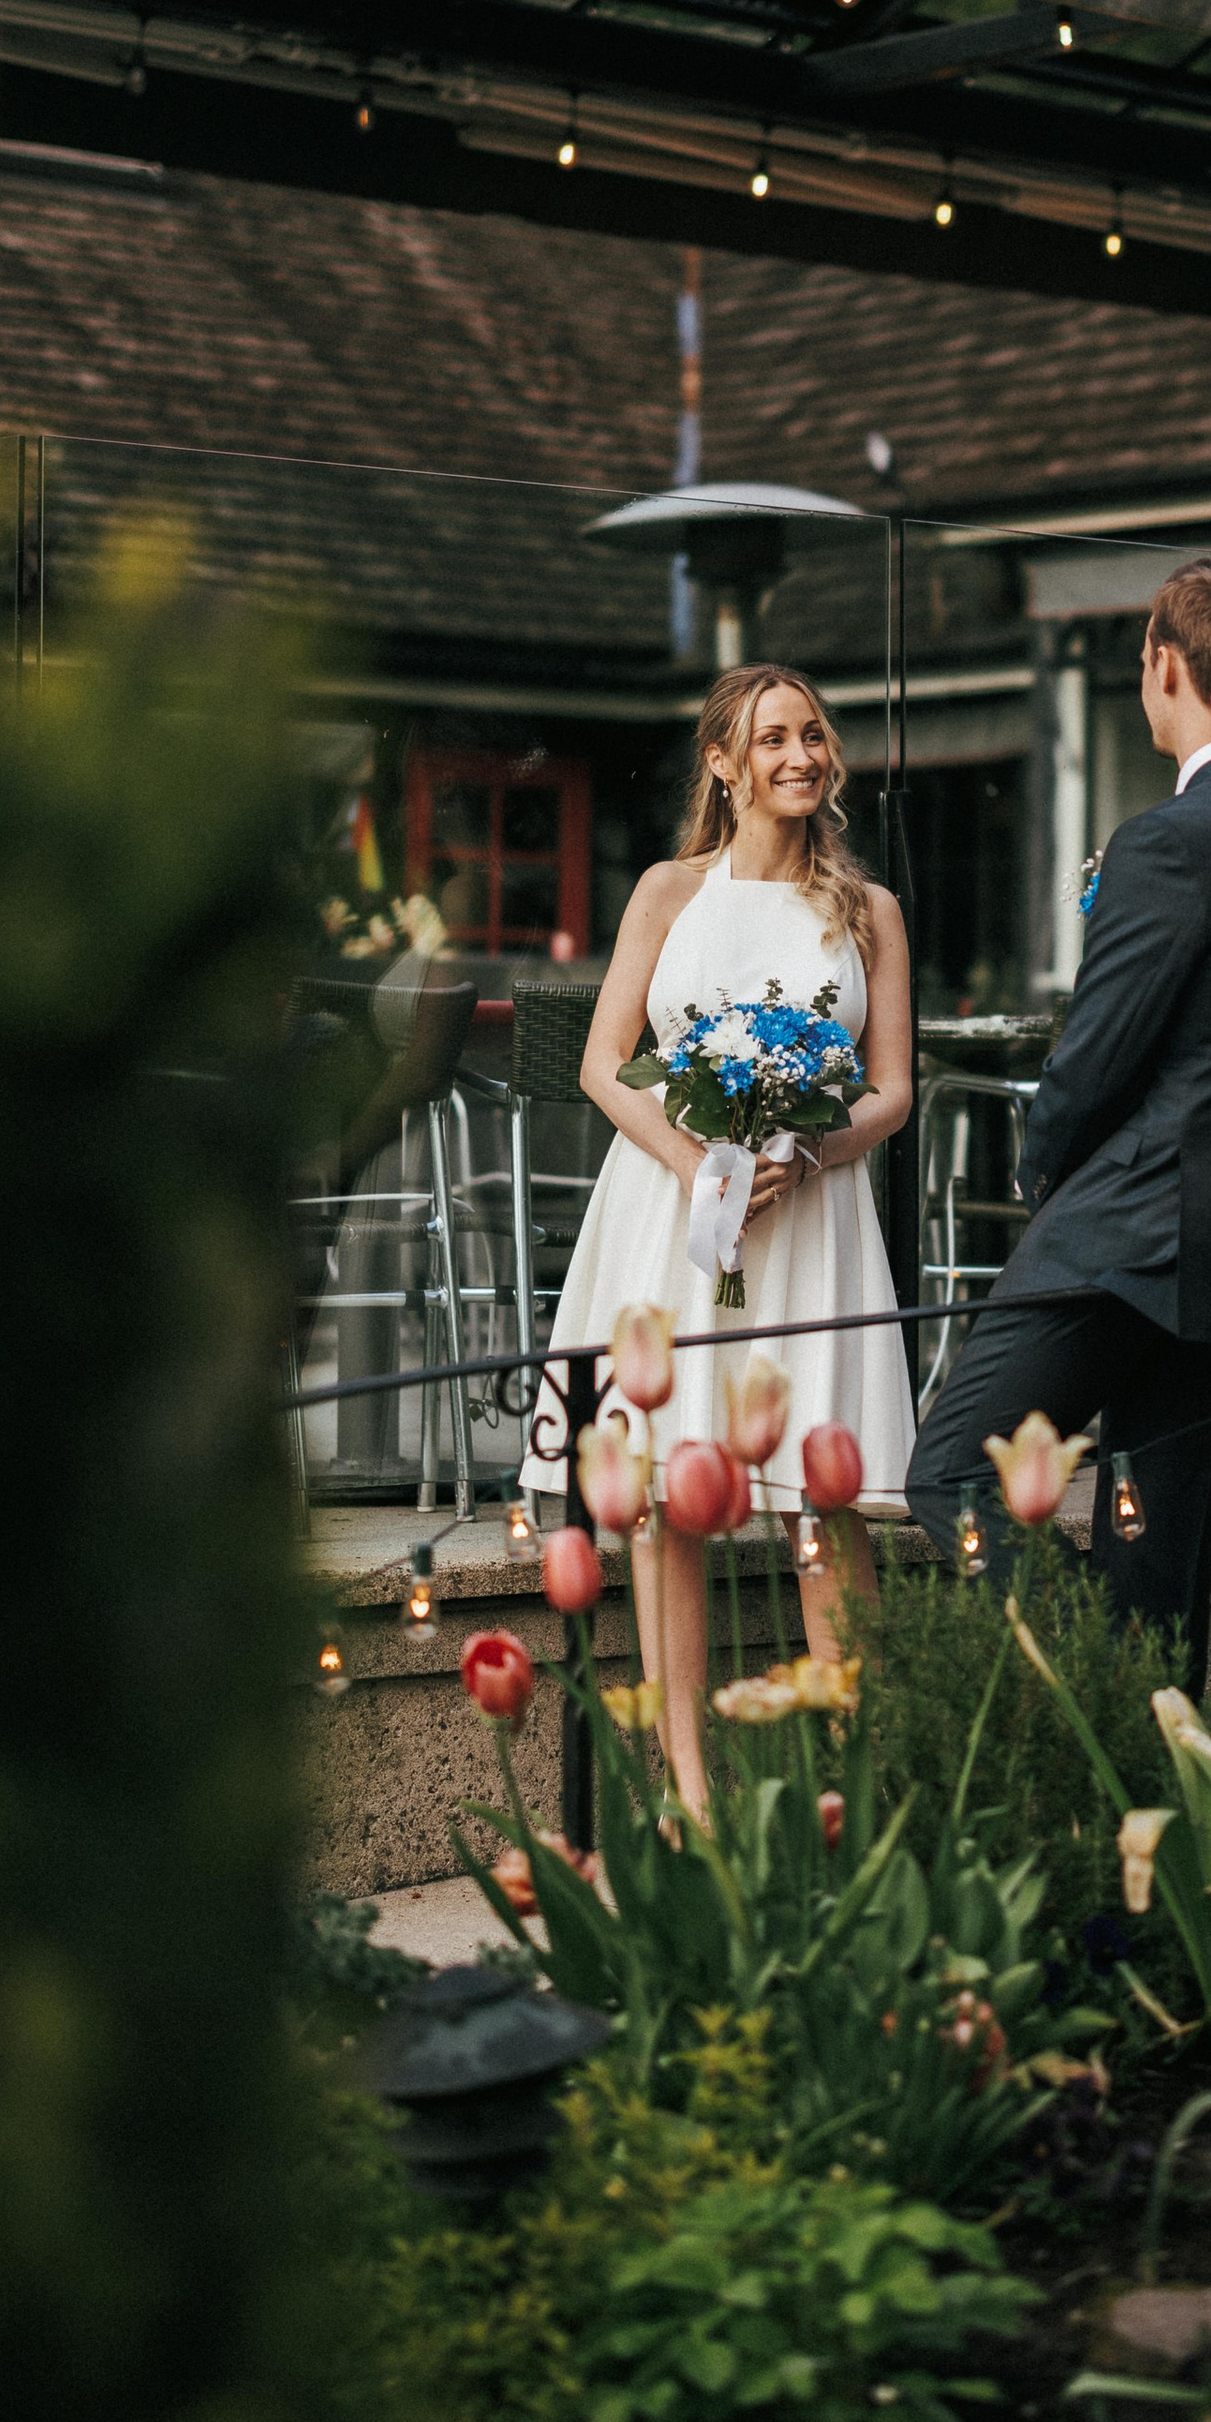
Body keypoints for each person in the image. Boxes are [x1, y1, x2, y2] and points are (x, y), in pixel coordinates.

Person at [906, 557, 1211, 1699]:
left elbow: (1093, 1057)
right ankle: (1151, 1812)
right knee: (1160, 1565)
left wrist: (1041, 1174)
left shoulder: (1168, 840)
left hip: (1122, 1241)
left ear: (1166, 663)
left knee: (954, 1472)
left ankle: (1094, 1687)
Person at [526, 666, 915, 1817]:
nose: (801, 754)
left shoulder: (869, 910)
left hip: (813, 1219)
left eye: (812, 734)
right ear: (723, 764)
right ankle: (688, 1784)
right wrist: (700, 1162)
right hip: (669, 1211)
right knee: (660, 1495)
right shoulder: (666, 892)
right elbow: (603, 1064)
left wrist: (807, 1151)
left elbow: (893, 1088)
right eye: (773, 738)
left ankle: (856, 1777)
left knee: (821, 1498)